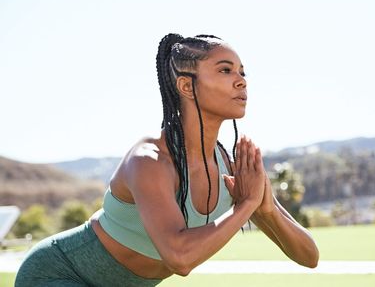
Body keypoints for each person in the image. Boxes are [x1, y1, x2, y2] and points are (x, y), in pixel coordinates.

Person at [15, 34, 319, 286]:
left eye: (242, 72)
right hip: (59, 274)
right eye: (226, 70)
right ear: (186, 86)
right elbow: (180, 257)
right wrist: (246, 207)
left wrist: (265, 209)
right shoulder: (149, 160)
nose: (241, 81)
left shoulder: (230, 165)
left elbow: (309, 256)